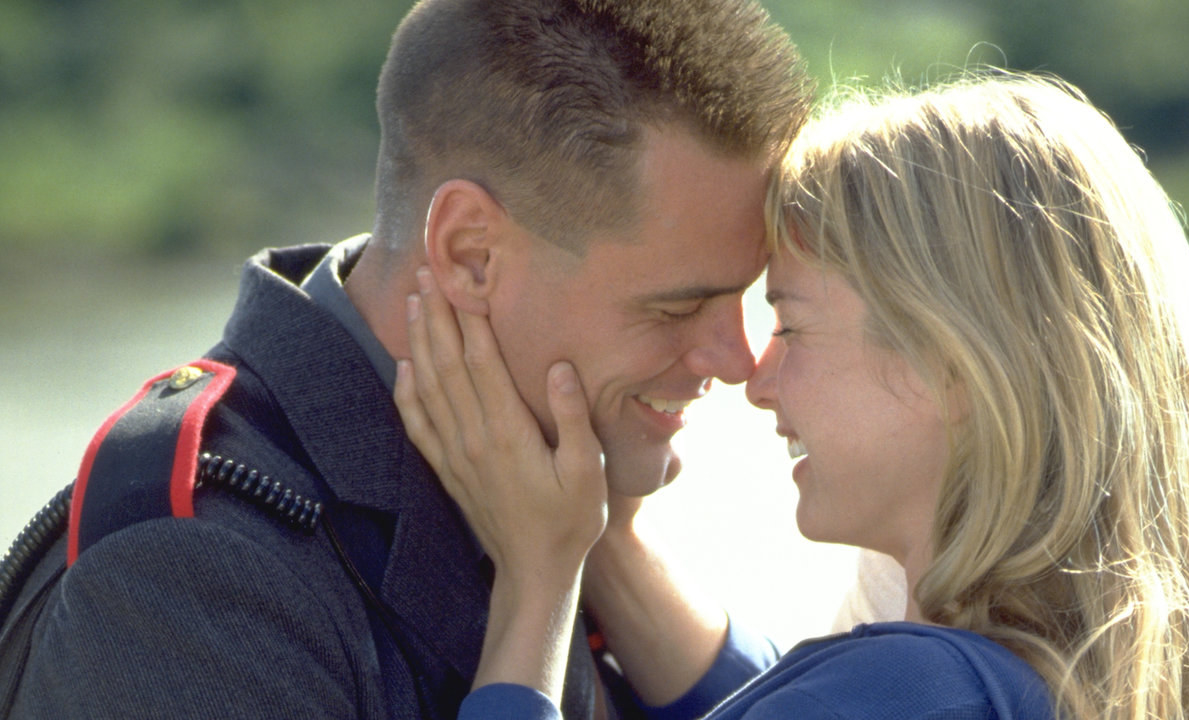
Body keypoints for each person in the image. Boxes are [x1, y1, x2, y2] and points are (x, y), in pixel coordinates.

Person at [2, 1, 813, 718]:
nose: (739, 361)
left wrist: (604, 546)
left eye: (742, 298)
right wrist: (543, 587)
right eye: (676, 307)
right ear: (468, 255)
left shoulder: (550, 498)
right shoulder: (192, 579)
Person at [394, 71, 1189, 719]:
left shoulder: (912, 692)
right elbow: (765, 693)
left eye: (791, 322)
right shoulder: (1041, 678)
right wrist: (608, 543)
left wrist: (537, 581)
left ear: (954, 362)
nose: (754, 378)